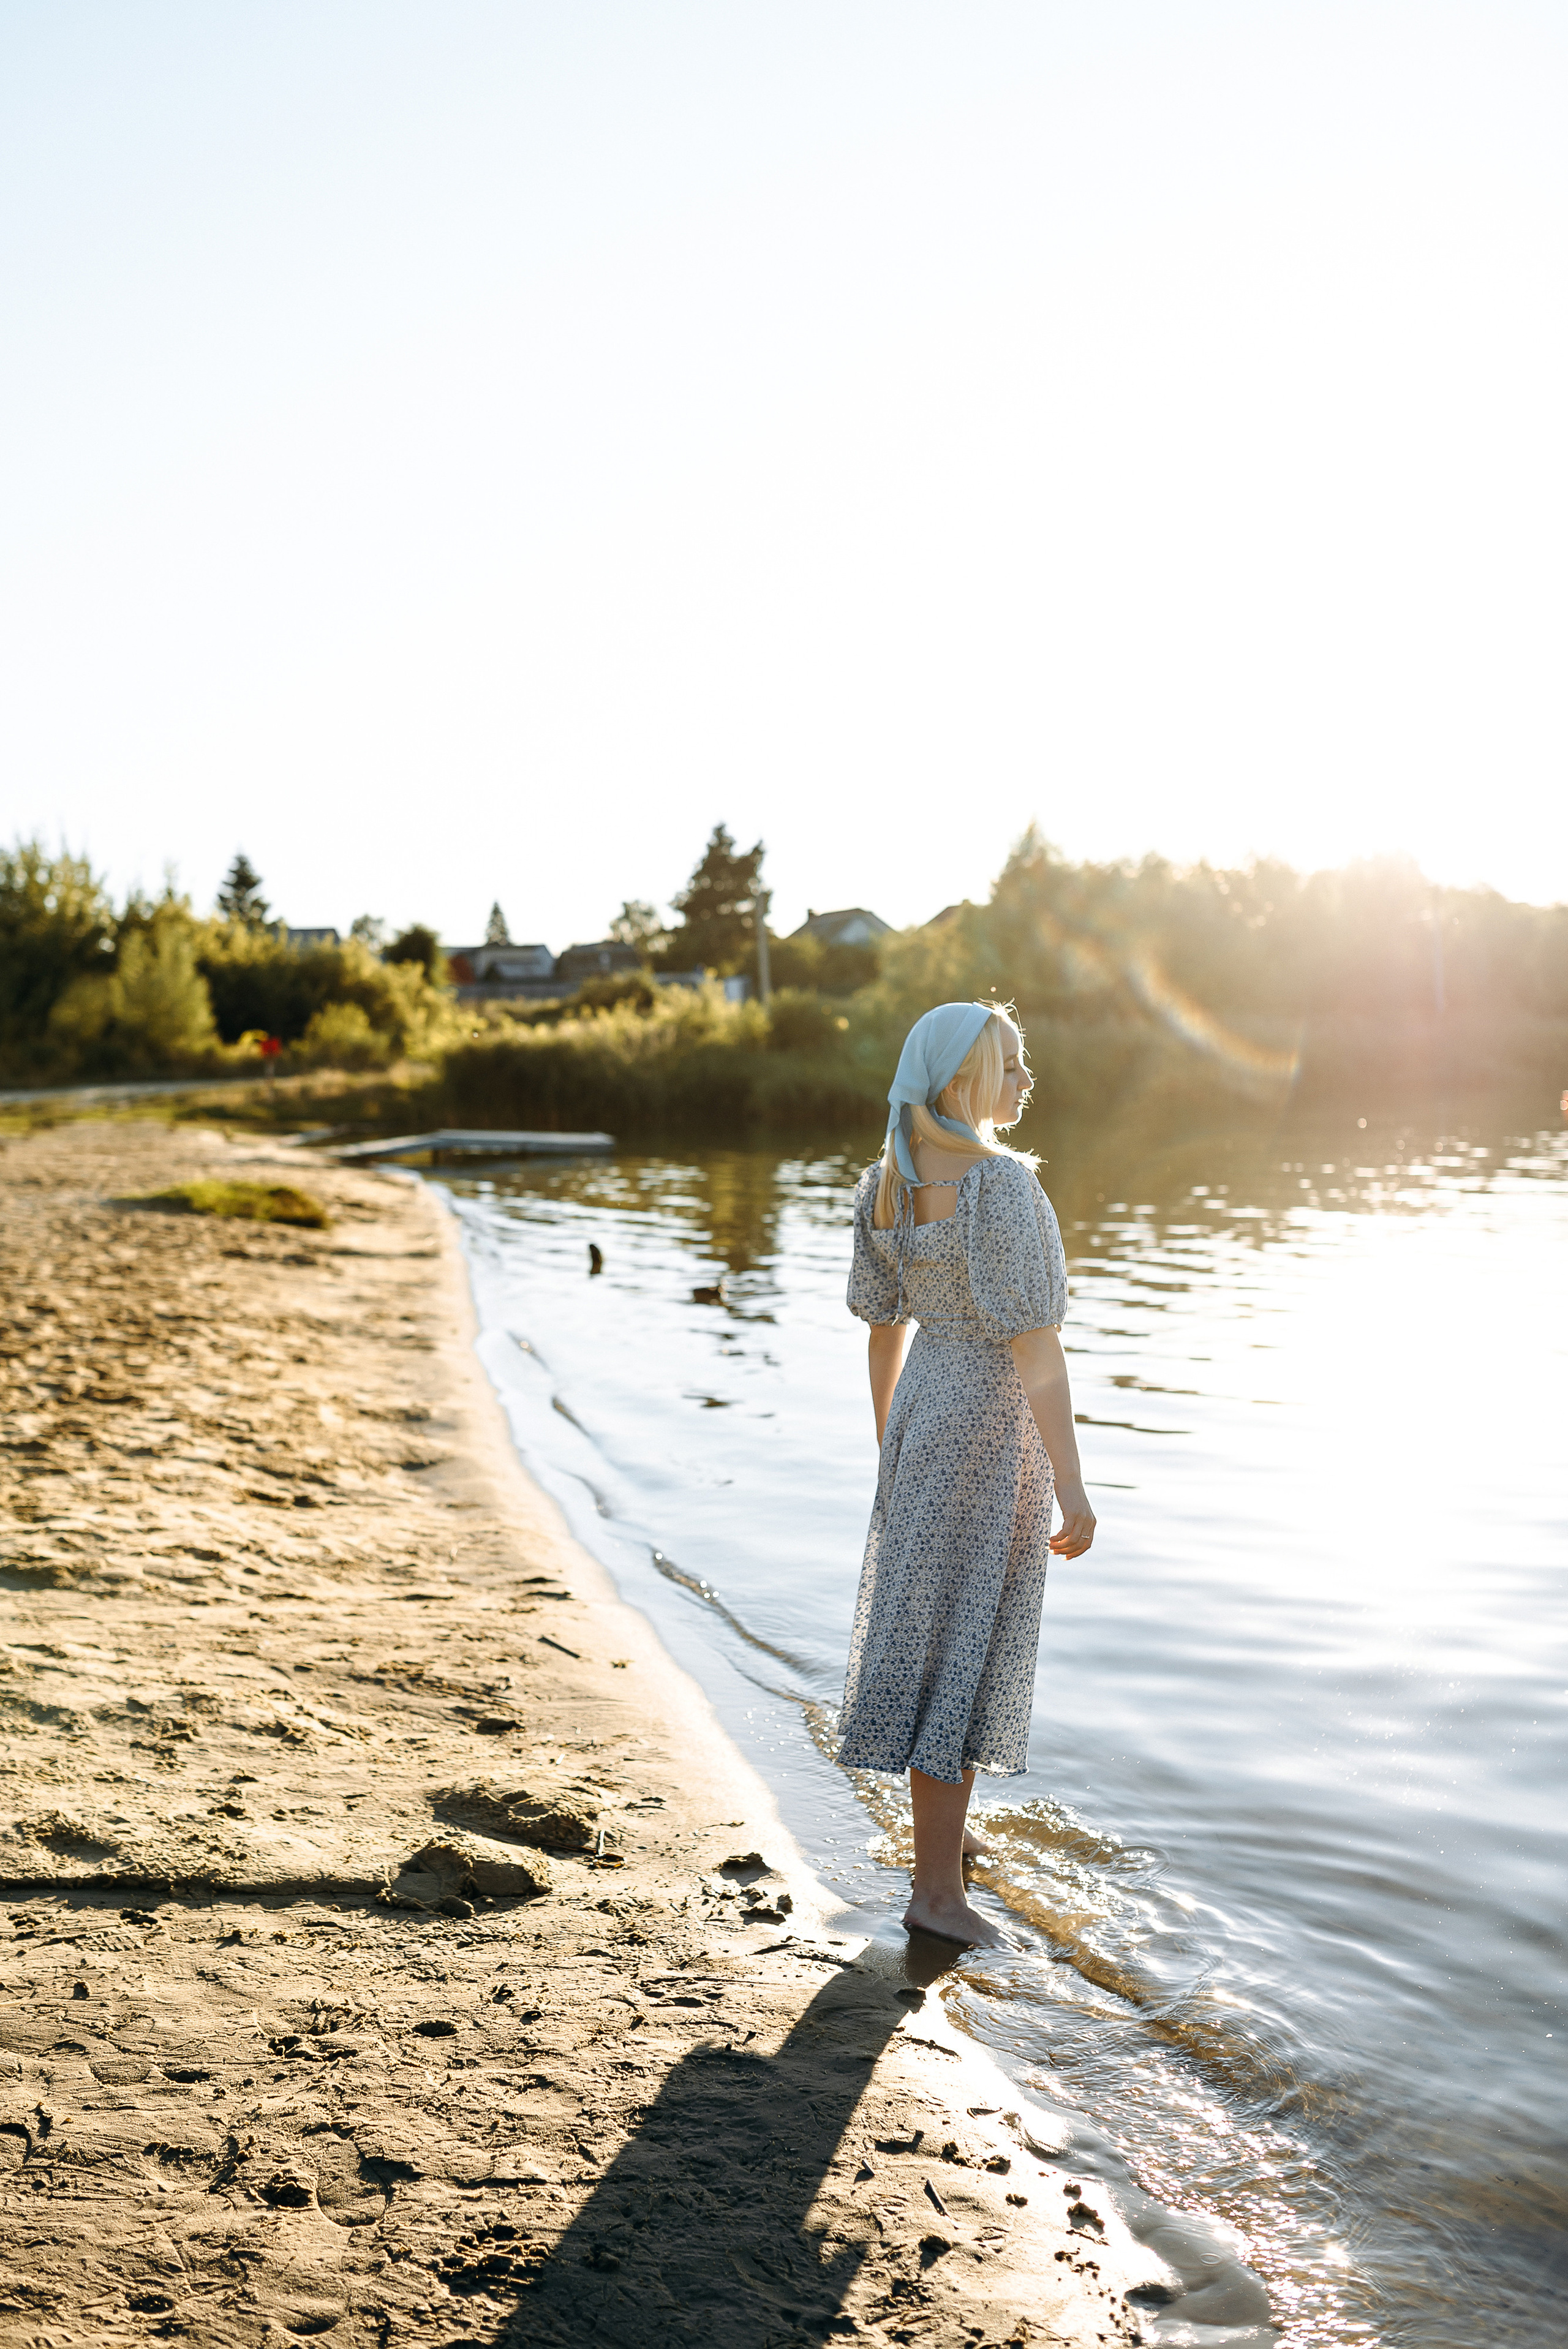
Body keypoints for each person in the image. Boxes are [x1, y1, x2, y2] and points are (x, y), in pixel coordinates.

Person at [839, 1000, 1095, 1948]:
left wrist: (891, 1448)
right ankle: (938, 1895)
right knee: (965, 1646)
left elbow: (882, 1331)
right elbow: (1037, 1351)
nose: (1027, 1082)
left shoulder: (885, 1185)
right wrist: (1073, 1486)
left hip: (920, 1414)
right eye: (1013, 1066)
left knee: (931, 1633)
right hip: (988, 1421)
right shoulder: (1006, 1189)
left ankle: (944, 1852)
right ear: (963, 1082)